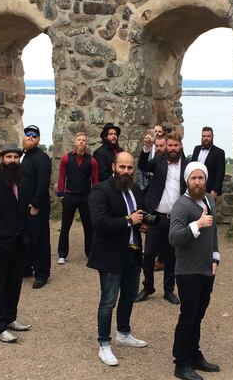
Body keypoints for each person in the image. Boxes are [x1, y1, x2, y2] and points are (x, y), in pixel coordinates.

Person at [87, 152, 148, 366]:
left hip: (132, 252)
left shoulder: (136, 190)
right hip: (110, 255)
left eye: (130, 168)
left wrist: (143, 224)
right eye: (122, 167)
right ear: (114, 167)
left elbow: (139, 216)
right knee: (108, 301)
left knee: (129, 296)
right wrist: (128, 221)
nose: (126, 171)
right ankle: (104, 344)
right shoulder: (100, 191)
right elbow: (100, 223)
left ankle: (123, 332)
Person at [169, 162, 221, 380]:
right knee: (188, 317)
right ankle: (180, 363)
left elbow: (215, 230)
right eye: (193, 178)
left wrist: (215, 257)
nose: (197, 182)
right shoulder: (181, 206)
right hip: (188, 271)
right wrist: (197, 225)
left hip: (206, 269)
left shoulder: (209, 200)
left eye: (201, 178)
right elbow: (174, 238)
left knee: (198, 315)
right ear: (187, 180)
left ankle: (193, 353)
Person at [0, 143, 34, 343]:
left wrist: (26, 237)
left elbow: (25, 213)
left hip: (19, 242)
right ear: (2, 159)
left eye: (15, 157)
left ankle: (10, 318)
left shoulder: (24, 182)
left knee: (14, 282)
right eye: (9, 157)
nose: (12, 160)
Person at [135, 133, 187, 305]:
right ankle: (148, 286)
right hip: (157, 217)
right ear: (166, 145)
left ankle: (168, 290)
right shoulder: (158, 161)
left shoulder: (188, 165)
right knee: (149, 254)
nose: (172, 148)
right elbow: (142, 165)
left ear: (180, 146)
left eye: (175, 145)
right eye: (169, 145)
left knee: (172, 256)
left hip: (177, 219)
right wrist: (147, 148)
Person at [56, 132, 99, 264]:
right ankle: (62, 254)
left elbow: (95, 180)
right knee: (65, 226)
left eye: (84, 140)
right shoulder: (66, 159)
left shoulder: (92, 160)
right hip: (69, 196)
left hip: (85, 197)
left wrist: (95, 196)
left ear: (86, 143)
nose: (81, 142)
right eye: (79, 140)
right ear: (75, 142)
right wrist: (61, 194)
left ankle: (90, 253)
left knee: (89, 226)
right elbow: (62, 176)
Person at [21, 124, 53, 289]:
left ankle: (42, 273)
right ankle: (27, 268)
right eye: (28, 135)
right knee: (26, 239)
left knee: (40, 240)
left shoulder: (42, 158)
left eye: (34, 135)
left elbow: (43, 183)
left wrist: (36, 204)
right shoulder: (25, 156)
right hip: (24, 207)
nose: (30, 137)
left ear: (39, 139)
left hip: (36, 207)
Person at [189, 127, 226, 197]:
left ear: (212, 137)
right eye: (204, 136)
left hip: (210, 190)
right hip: (195, 188)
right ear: (201, 137)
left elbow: (220, 173)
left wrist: (215, 190)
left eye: (208, 136)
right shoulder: (196, 149)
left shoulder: (219, 152)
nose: (206, 138)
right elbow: (192, 167)